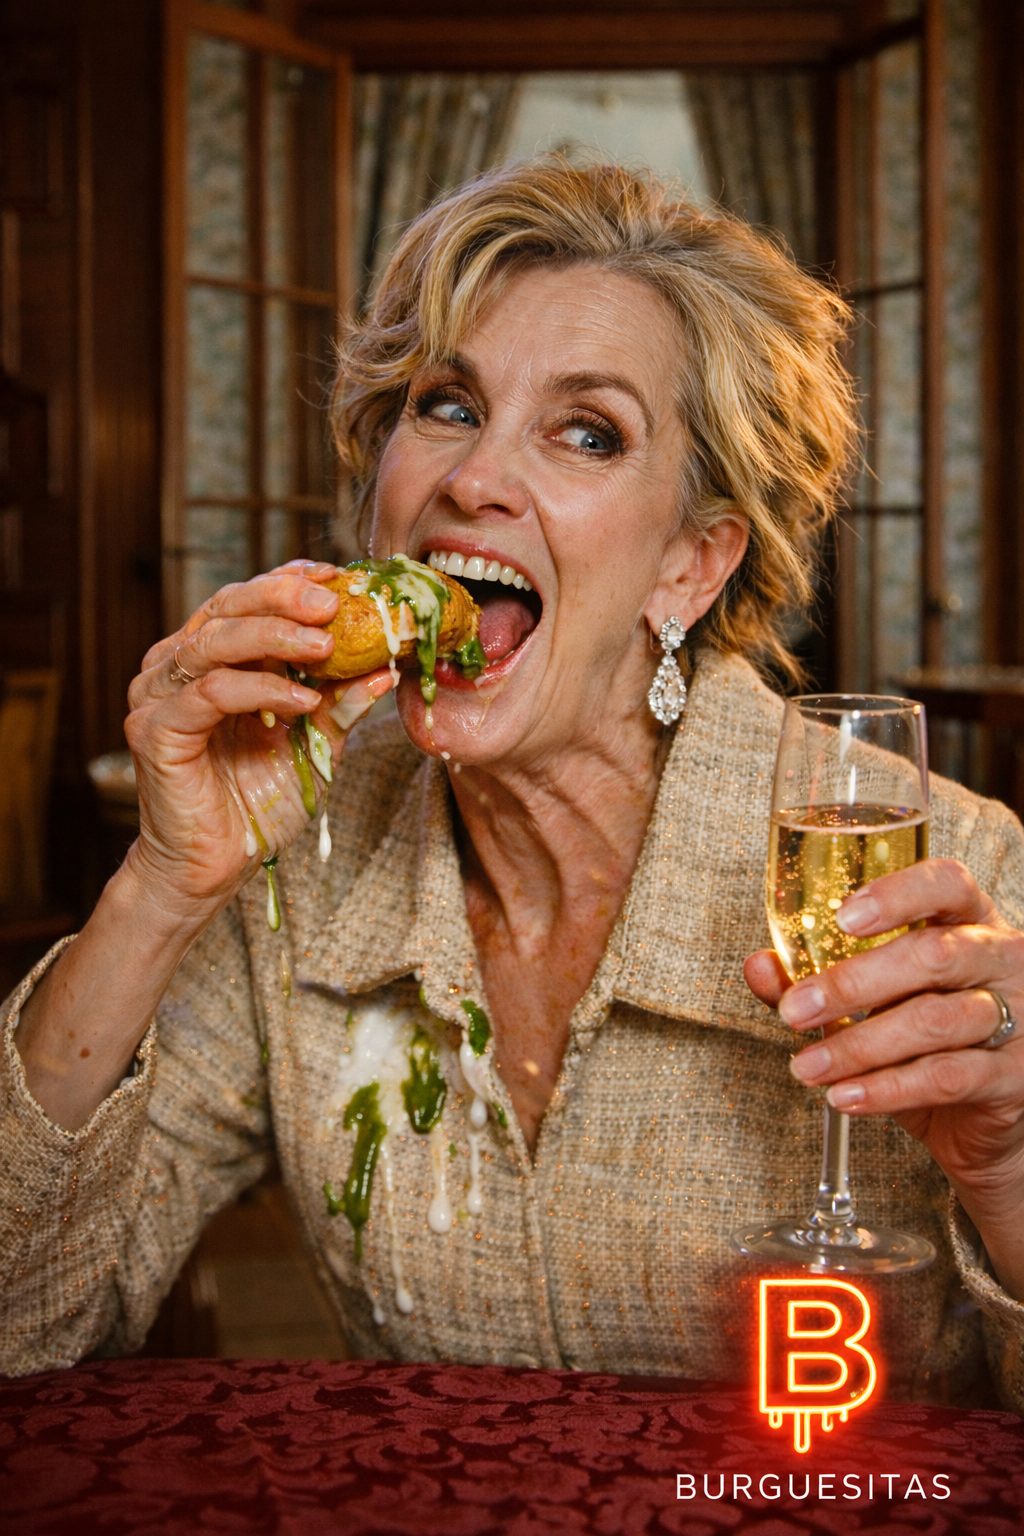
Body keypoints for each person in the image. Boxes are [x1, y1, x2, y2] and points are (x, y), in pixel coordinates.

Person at [2, 161, 1022, 1406]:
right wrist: (162, 887)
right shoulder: (304, 848)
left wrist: (1010, 1170)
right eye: (446, 405)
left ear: (690, 564)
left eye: (587, 431)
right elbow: (27, 1320)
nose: (473, 478)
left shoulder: (950, 880)